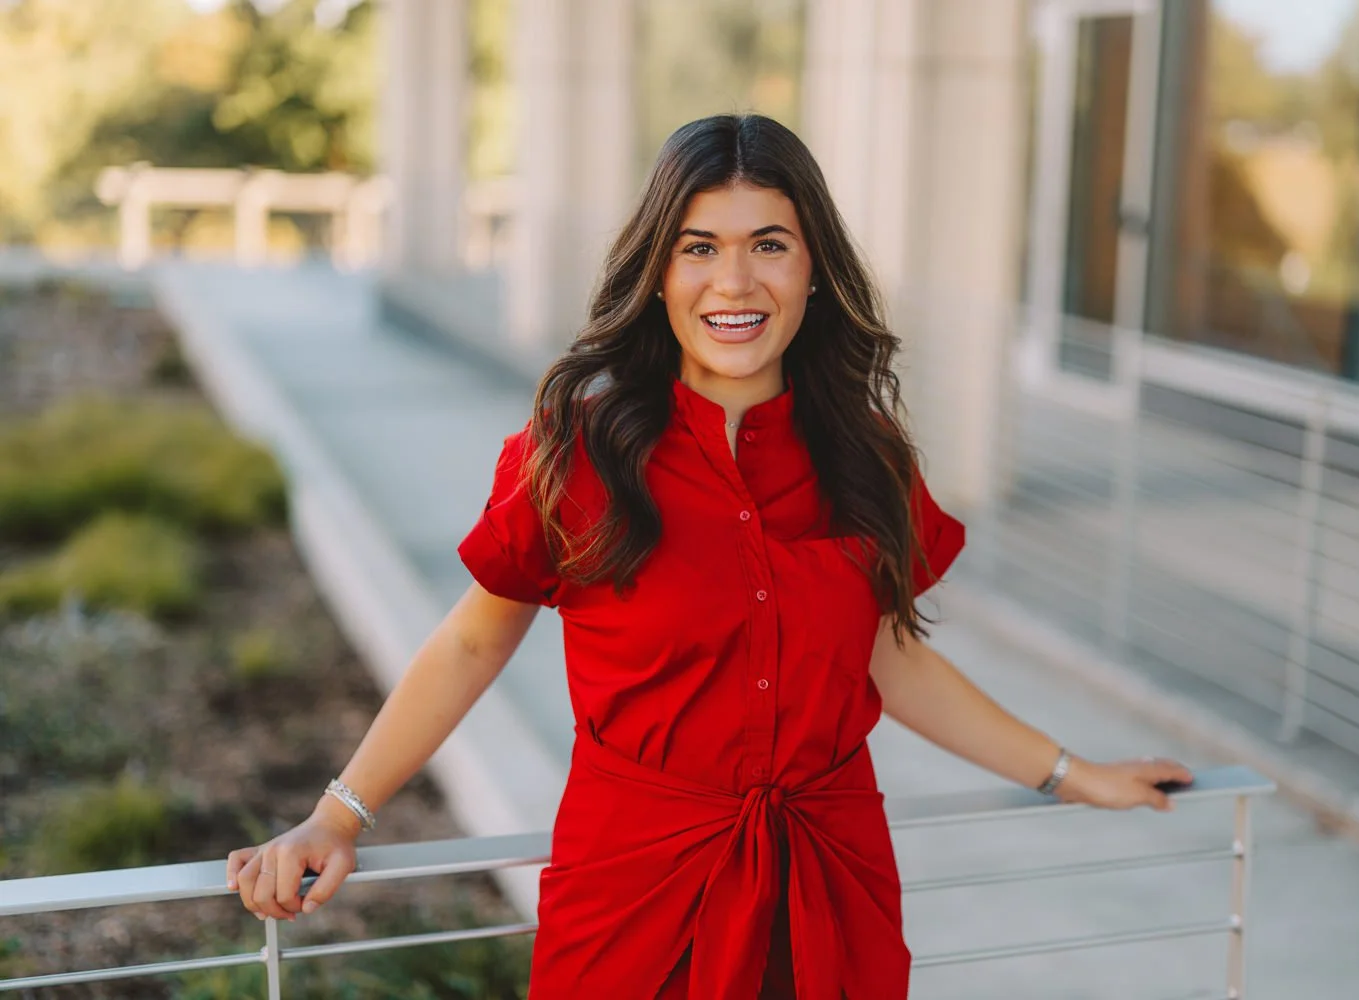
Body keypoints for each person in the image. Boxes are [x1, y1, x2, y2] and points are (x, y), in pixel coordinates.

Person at [227, 113, 1194, 999]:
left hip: (828, 890)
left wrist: (1075, 774)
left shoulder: (868, 457)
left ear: (814, 270)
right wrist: (340, 813)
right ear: (659, 271)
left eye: (768, 245)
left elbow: (888, 657)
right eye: (701, 249)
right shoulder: (574, 452)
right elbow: (473, 645)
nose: (735, 284)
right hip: (636, 897)